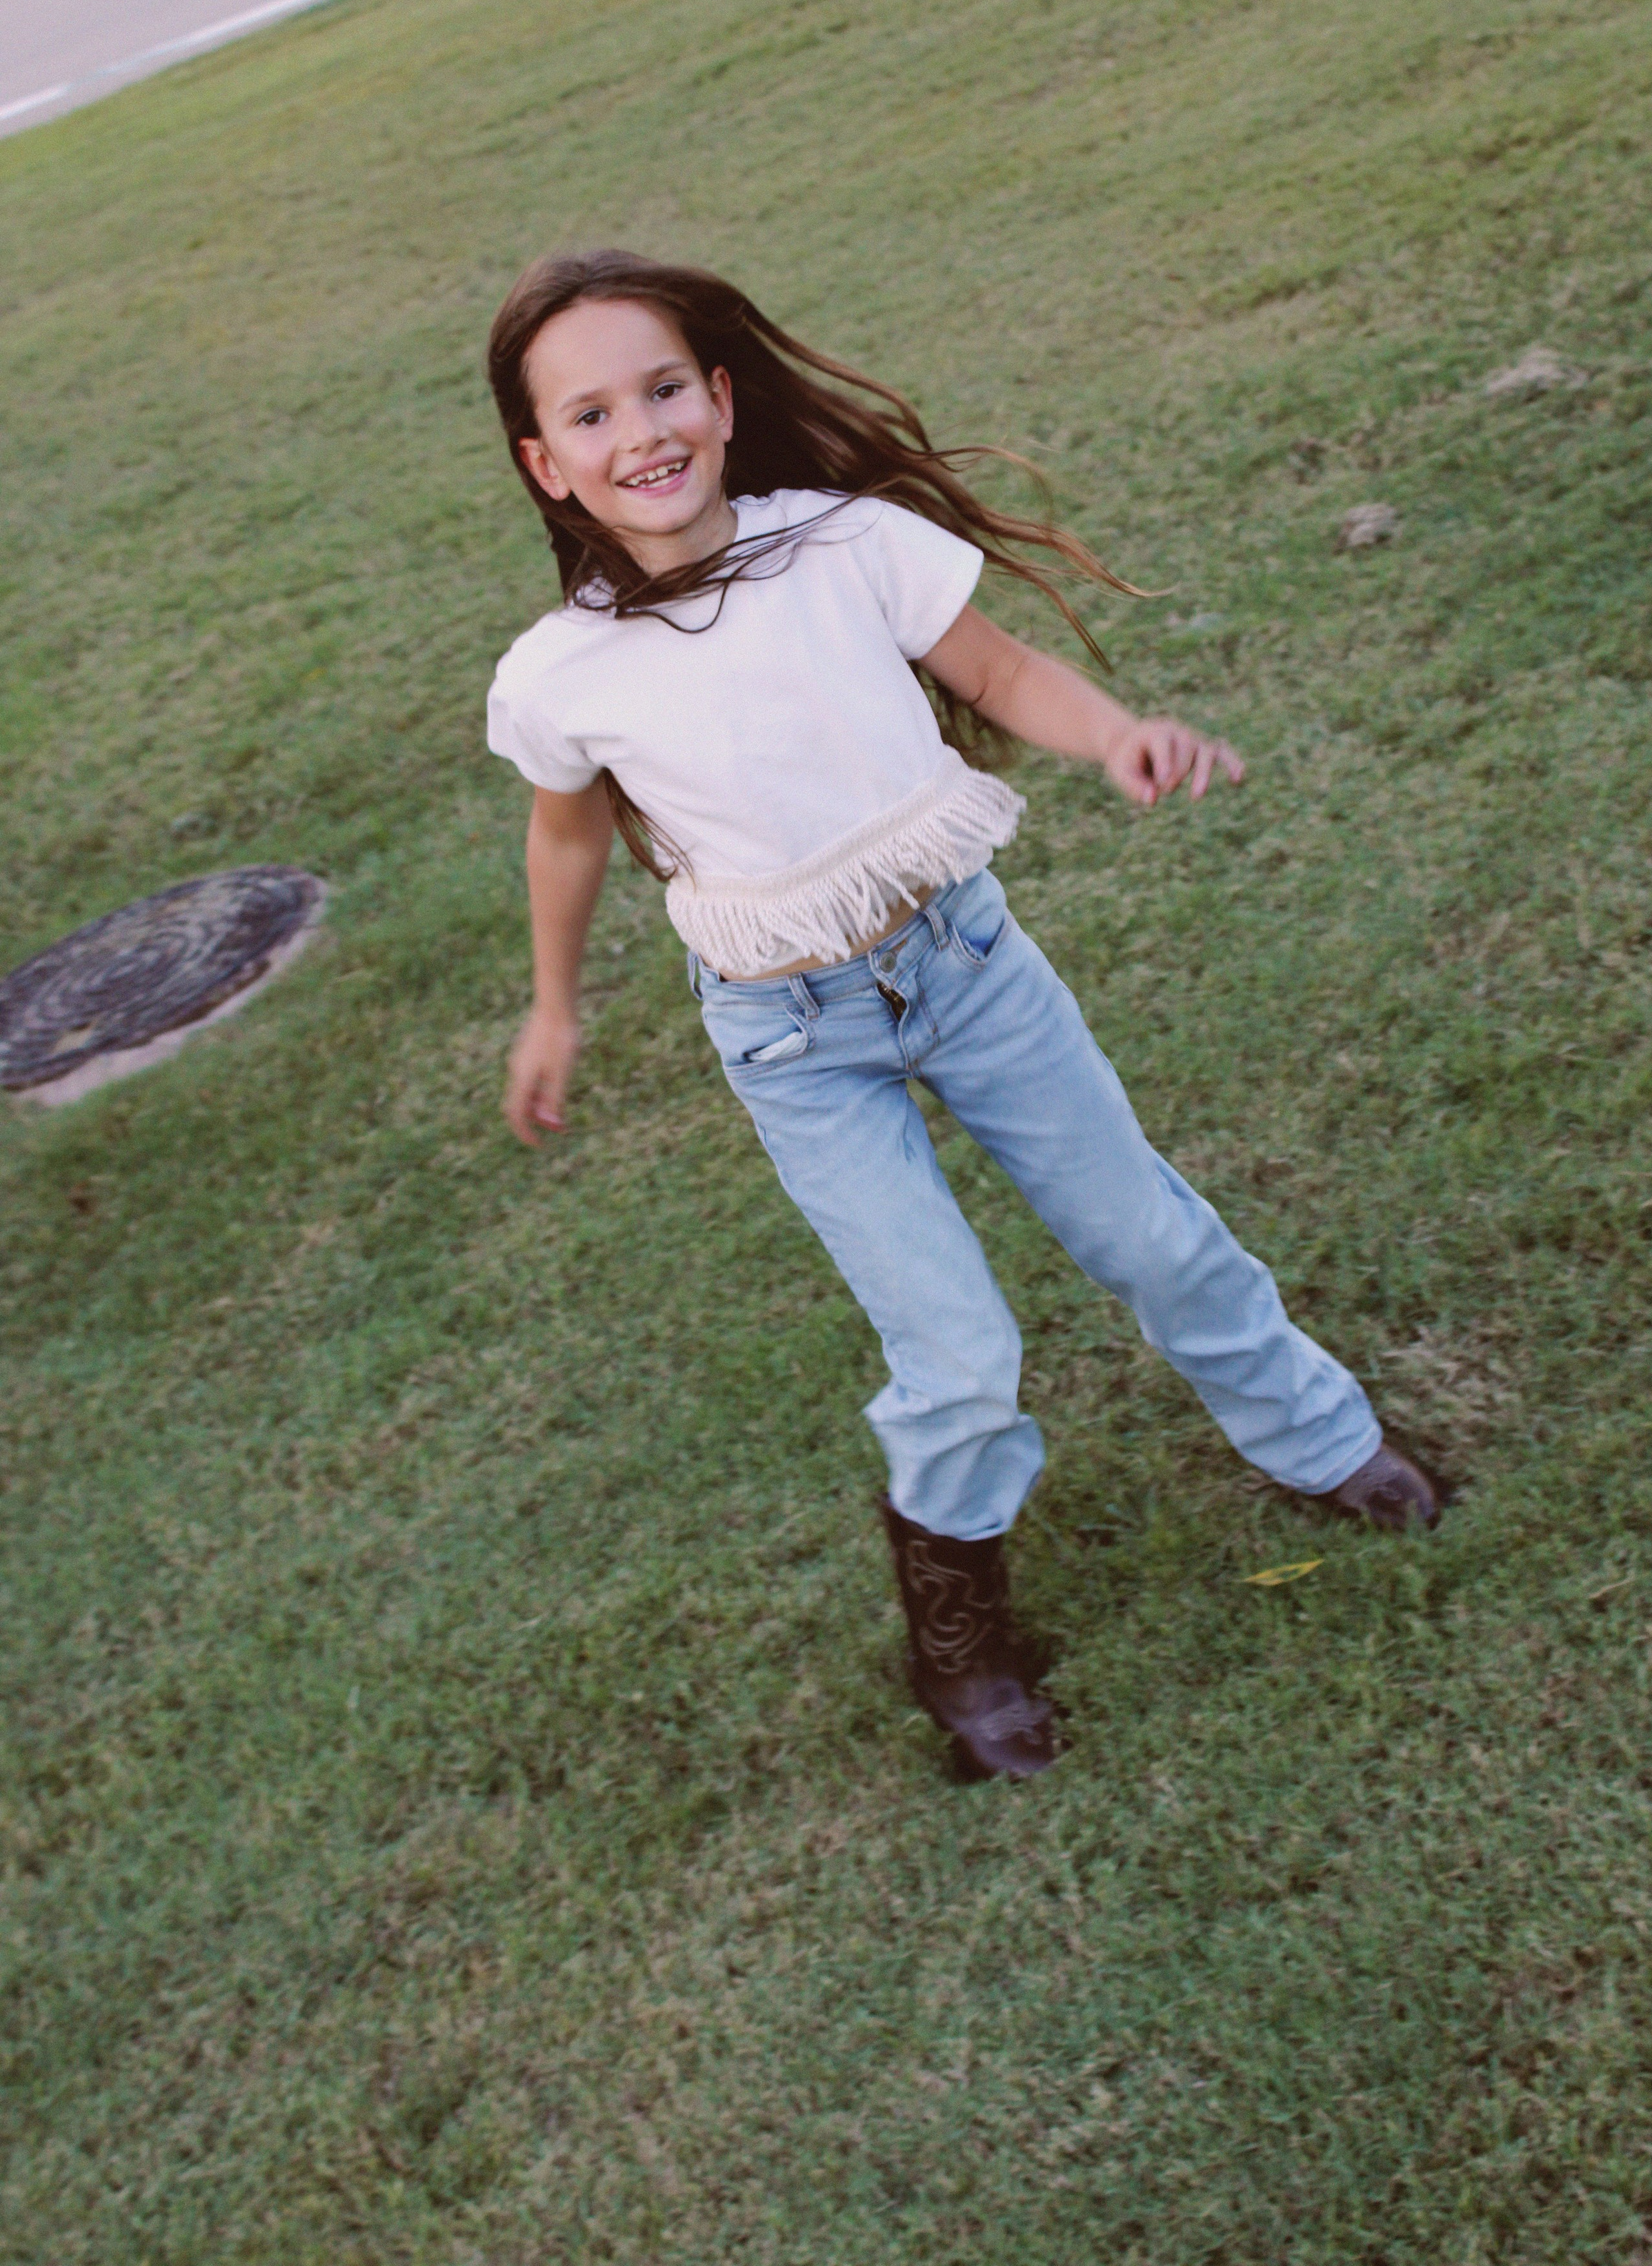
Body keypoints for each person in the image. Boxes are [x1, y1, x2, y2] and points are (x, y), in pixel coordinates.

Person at [484, 250, 1440, 1783]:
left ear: (721, 401)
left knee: (1145, 1233)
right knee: (953, 1345)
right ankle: (959, 1635)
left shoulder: (850, 545)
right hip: (794, 1038)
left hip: (965, 965)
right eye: (589, 413)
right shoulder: (559, 676)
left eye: (664, 387)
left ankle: (1319, 1440)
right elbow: (567, 835)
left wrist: (1115, 732)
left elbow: (992, 668)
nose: (640, 431)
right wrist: (552, 1009)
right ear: (546, 463)